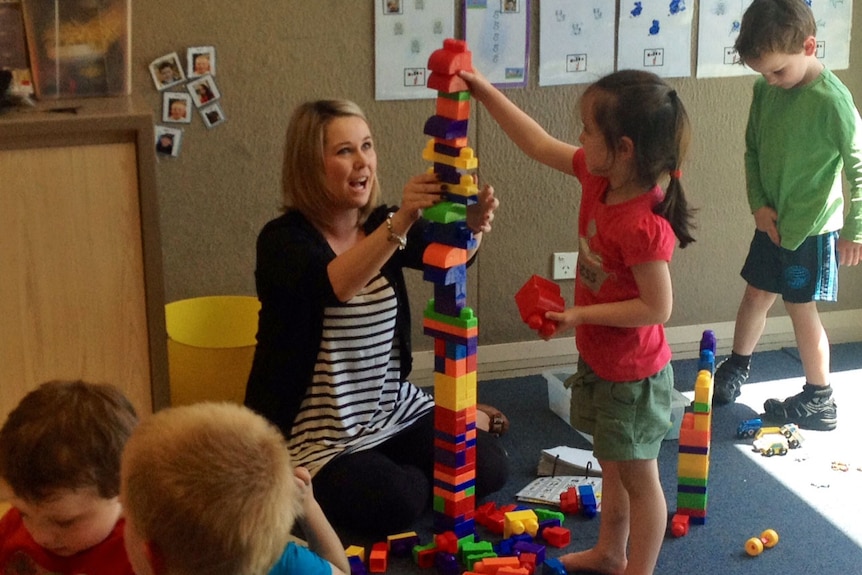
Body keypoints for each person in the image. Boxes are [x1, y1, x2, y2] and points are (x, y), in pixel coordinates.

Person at [460, 68, 695, 575]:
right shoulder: (598, 176)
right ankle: (611, 552)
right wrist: (483, 89)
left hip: (634, 377)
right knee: (611, 464)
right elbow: (537, 142)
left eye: (588, 129)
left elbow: (658, 309)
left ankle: (639, 569)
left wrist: (579, 314)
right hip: (603, 362)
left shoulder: (644, 222)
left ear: (625, 147)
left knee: (639, 478)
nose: (581, 138)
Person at [243, 99, 509, 537]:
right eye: (344, 151)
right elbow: (336, 285)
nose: (362, 161)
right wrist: (402, 221)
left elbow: (449, 259)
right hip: (319, 431)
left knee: (489, 466)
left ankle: (406, 462)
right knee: (397, 499)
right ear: (311, 164)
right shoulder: (282, 242)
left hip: (389, 407)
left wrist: (471, 227)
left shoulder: (382, 224)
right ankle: (386, 475)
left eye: (366, 146)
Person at [711, 0, 862, 431]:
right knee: (755, 295)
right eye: (763, 73)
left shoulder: (833, 102)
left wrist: (856, 229)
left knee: (800, 309)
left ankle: (820, 398)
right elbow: (753, 153)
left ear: (809, 46)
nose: (771, 81)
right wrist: (758, 206)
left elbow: (859, 168)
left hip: (812, 230)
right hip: (772, 223)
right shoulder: (765, 92)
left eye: (778, 71)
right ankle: (737, 366)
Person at [121, 402, 349, 575]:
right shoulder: (278, 559)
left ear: (153, 557)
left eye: (126, 514)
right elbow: (341, 570)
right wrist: (308, 506)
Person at [0, 380, 138, 575]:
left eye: (64, 522)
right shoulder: (12, 528)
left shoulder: (139, 552)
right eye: (24, 513)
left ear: (123, 488)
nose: (41, 536)